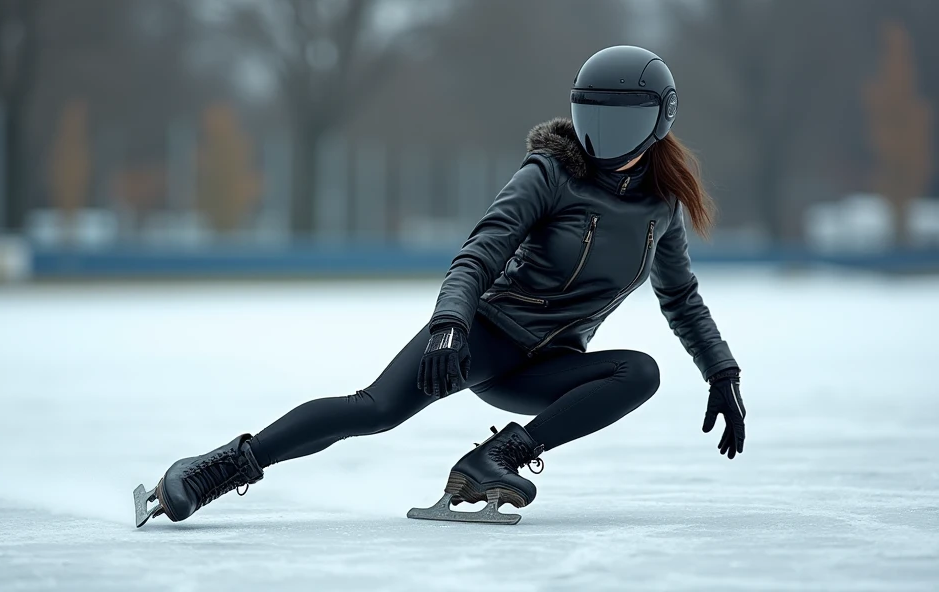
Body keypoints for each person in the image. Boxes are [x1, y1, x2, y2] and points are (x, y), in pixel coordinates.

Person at [133, 45, 747, 527]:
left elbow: (682, 298)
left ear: (658, 122)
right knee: (374, 411)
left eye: (623, 122)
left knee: (639, 371)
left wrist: (722, 374)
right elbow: (479, 252)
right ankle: (211, 470)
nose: (604, 139)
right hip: (482, 334)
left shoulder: (662, 206)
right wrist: (451, 323)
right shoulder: (551, 173)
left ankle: (495, 460)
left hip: (548, 365)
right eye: (594, 119)